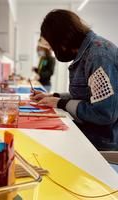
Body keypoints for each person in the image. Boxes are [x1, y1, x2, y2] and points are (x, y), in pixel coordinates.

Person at [30, 9, 118, 151]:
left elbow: (104, 113)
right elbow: (89, 95)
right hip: (89, 136)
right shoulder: (87, 53)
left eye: (53, 46)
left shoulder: (98, 56)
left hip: (101, 144)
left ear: (63, 40)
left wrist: (61, 103)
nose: (53, 51)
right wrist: (54, 96)